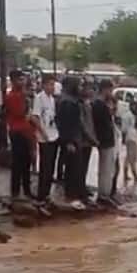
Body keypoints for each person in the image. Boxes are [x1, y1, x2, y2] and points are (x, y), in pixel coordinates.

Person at [56, 77, 87, 210]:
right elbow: (66, 123)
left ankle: (74, 195)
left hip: (74, 139)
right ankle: (73, 196)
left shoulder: (69, 100)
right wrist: (69, 141)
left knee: (74, 168)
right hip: (72, 139)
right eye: (79, 86)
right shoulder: (67, 102)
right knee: (73, 168)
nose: (81, 88)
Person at [30, 74, 59, 202]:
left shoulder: (52, 99)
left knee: (51, 166)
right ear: (44, 85)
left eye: (53, 84)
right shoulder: (39, 98)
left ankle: (47, 193)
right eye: (50, 84)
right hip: (44, 137)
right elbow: (35, 117)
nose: (52, 87)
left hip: (54, 135)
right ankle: (41, 195)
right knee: (45, 166)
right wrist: (43, 132)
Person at [5, 70, 34, 199]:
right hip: (17, 131)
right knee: (18, 162)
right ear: (13, 81)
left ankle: (27, 189)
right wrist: (25, 99)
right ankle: (16, 190)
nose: (22, 82)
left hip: (25, 130)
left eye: (23, 79)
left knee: (27, 161)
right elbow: (20, 112)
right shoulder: (13, 96)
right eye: (19, 80)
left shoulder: (22, 94)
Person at [92, 80, 119, 205]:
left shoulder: (102, 104)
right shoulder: (99, 104)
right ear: (105, 89)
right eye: (110, 90)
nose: (111, 93)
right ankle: (104, 195)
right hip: (104, 140)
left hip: (107, 139)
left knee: (108, 168)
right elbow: (102, 124)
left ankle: (105, 194)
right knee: (106, 169)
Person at [120, 100, 137, 184]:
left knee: (128, 157)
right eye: (134, 106)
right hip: (130, 138)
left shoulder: (131, 115)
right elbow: (124, 129)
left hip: (132, 137)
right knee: (132, 157)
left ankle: (126, 175)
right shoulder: (127, 116)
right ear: (130, 106)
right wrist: (123, 139)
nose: (136, 108)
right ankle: (135, 176)